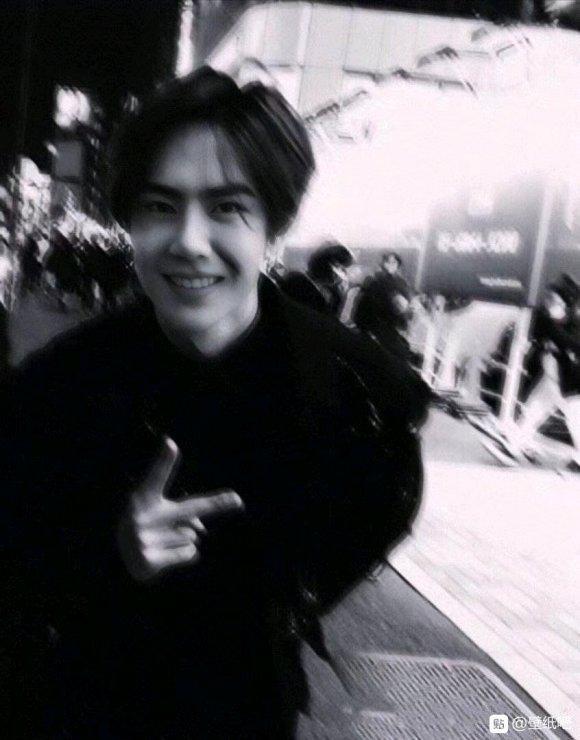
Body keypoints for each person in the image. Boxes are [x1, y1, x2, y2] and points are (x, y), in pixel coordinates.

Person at [0, 67, 430, 738]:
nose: (189, 242)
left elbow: (384, 503)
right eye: (160, 206)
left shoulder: (353, 388)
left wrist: (290, 593)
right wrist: (112, 554)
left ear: (274, 227)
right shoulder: (57, 390)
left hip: (250, 708)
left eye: (228, 208)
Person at [481, 275, 580, 468]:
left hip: (572, 383)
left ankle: (516, 445)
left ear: (566, 303)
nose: (550, 301)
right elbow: (532, 335)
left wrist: (551, 330)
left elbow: (571, 345)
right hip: (553, 377)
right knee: (534, 411)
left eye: (555, 299)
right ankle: (515, 446)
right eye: (550, 297)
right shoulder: (545, 318)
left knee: (574, 417)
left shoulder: (573, 325)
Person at [353, 250, 412, 360]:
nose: (391, 265)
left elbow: (406, 304)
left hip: (394, 324)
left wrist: (404, 318)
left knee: (399, 353)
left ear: (398, 265)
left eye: (394, 262)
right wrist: (362, 325)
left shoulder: (402, 283)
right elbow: (364, 302)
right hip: (377, 323)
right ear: (383, 263)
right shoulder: (374, 280)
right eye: (388, 262)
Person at [278, 241, 353, 317]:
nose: (341, 275)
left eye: (344, 271)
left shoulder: (330, 293)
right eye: (339, 268)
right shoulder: (297, 281)